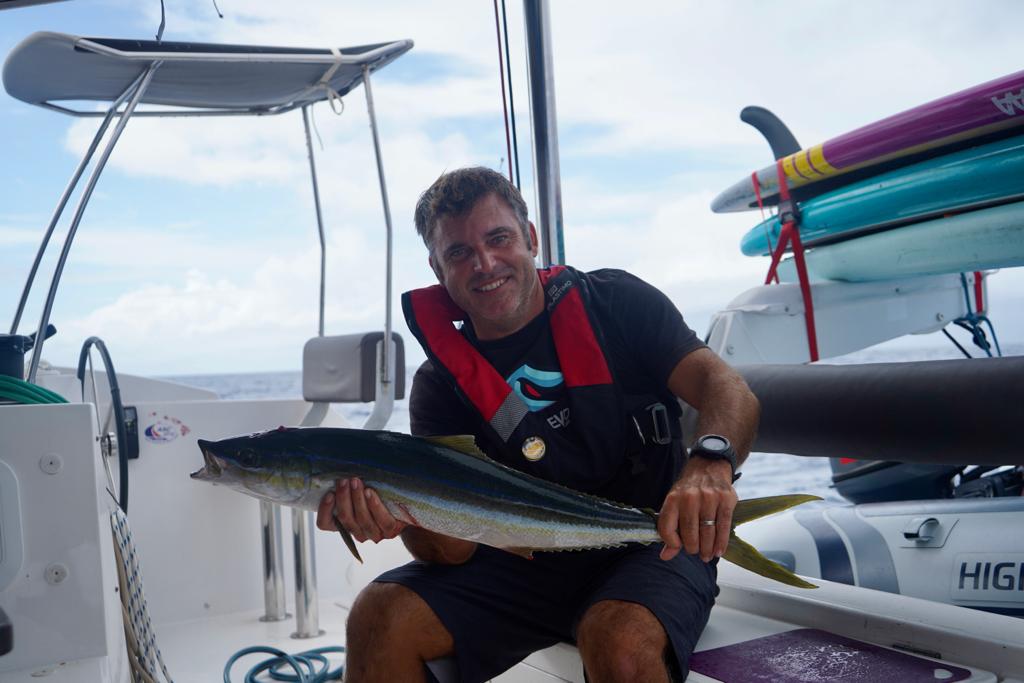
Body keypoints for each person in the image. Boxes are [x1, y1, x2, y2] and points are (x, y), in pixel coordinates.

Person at [316, 167, 759, 683]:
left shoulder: (616, 303)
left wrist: (710, 462)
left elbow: (726, 387)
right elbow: (451, 552)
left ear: (530, 237)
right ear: (437, 268)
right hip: (519, 563)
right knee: (378, 617)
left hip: (652, 540)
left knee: (619, 642)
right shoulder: (439, 386)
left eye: (498, 238)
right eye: (459, 252)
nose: (484, 264)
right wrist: (397, 511)